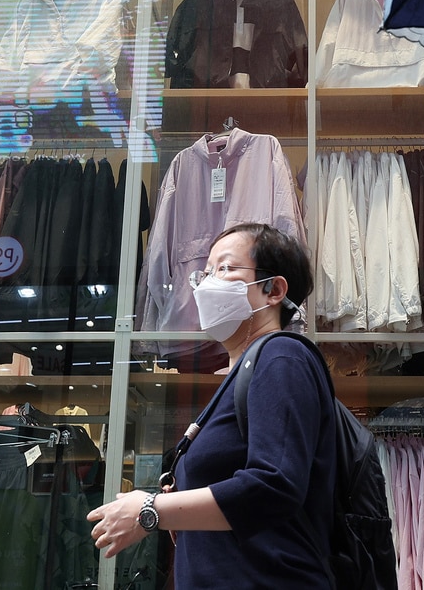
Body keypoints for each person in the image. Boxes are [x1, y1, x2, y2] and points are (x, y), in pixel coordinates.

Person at [87, 222, 336, 588]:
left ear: (274, 290)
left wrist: (151, 511)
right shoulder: (244, 371)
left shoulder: (281, 356)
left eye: (225, 268)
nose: (207, 283)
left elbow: (275, 484)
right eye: (205, 272)